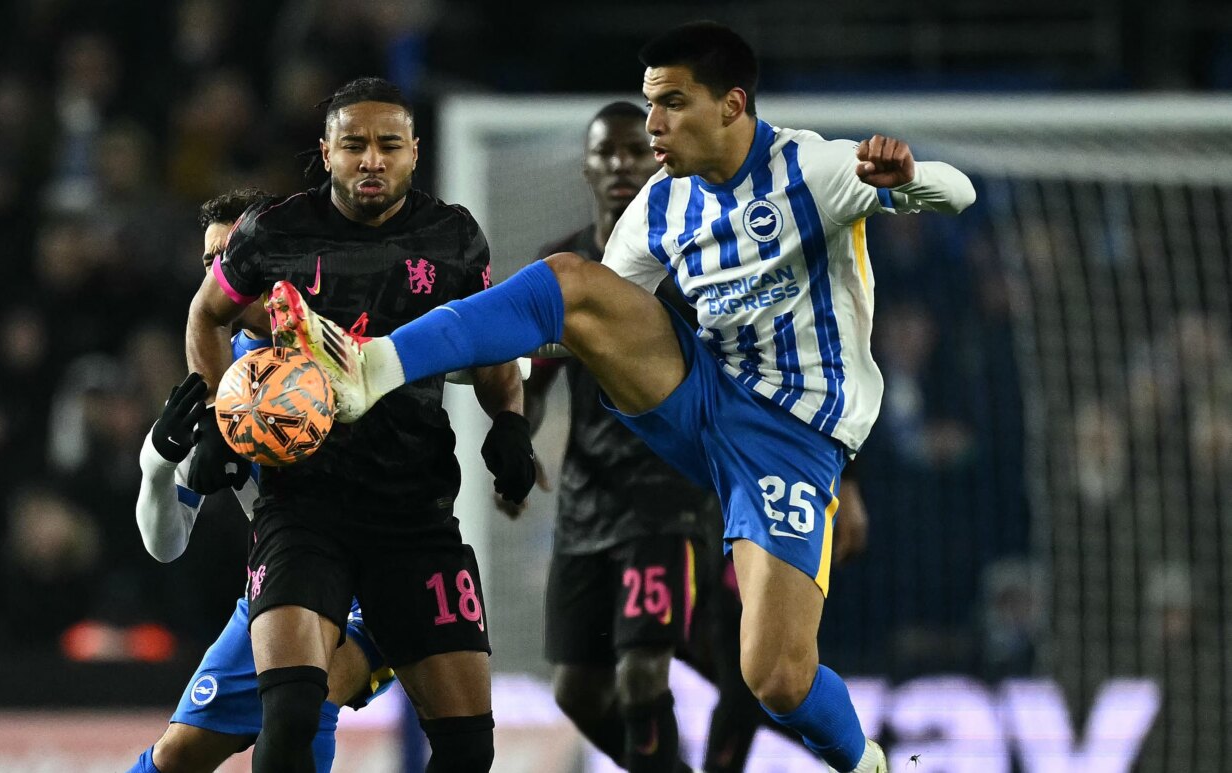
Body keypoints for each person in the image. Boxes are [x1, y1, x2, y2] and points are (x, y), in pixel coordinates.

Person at [273, 22, 975, 773]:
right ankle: (371, 365)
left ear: (732, 105)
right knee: (573, 280)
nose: (654, 127)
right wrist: (441, 357)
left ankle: (865, 763)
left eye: (673, 104)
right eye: (650, 105)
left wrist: (907, 180)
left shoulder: (816, 169)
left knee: (776, 676)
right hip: (698, 398)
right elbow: (577, 327)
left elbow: (957, 192)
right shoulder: (658, 208)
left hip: (793, 440)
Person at [185, 77, 535, 773]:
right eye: (354, 145)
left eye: (387, 145)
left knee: (469, 747)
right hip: (305, 508)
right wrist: (212, 415)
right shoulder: (273, 231)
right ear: (326, 152)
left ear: (413, 152)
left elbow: (493, 345)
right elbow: (206, 313)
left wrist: (511, 422)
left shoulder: (455, 238)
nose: (370, 160)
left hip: (416, 513)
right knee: (285, 719)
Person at [527, 102, 870, 773]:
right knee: (578, 690)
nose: (623, 165)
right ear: (587, 167)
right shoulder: (561, 266)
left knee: (658, 672)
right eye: (608, 153)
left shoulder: (703, 261)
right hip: (590, 502)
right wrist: (514, 433)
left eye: (637, 150)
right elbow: (530, 375)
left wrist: (848, 477)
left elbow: (797, 359)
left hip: (690, 497)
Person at [127, 189, 395, 773]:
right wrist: (157, 463)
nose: (220, 273)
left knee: (305, 694)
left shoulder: (351, 335)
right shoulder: (224, 384)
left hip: (381, 577)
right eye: (209, 262)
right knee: (177, 757)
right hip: (282, 579)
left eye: (233, 254)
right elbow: (165, 546)